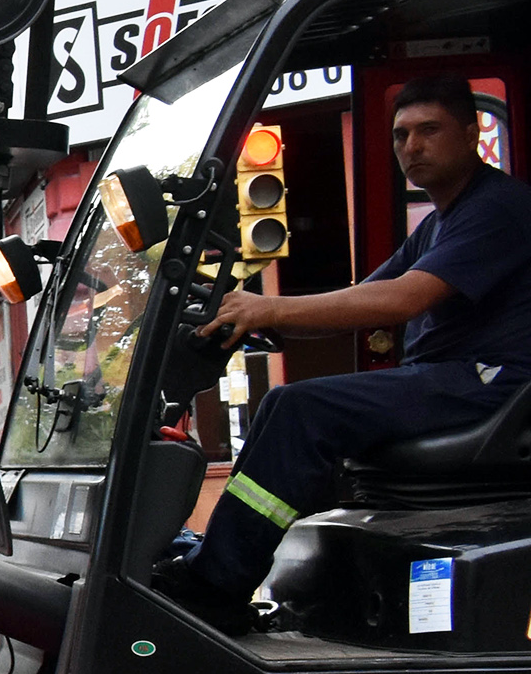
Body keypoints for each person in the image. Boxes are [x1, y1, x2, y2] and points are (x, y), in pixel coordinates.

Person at [157, 77, 531, 633]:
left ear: (472, 132)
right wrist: (255, 317)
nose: (413, 146)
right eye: (402, 135)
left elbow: (406, 299)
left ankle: (217, 585)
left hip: (488, 384)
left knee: (301, 409)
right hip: (448, 379)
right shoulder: (436, 225)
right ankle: (213, 565)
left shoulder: (498, 207)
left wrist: (272, 311)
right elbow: (364, 299)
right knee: (282, 406)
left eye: (430, 130)